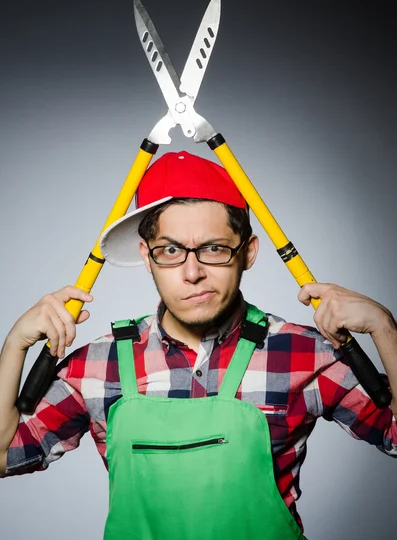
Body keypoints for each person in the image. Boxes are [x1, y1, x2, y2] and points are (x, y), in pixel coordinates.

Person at [0, 151, 396, 539]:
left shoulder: (303, 354)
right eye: (170, 251)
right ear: (147, 257)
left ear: (248, 253)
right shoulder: (97, 366)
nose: (192, 273)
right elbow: (4, 455)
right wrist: (15, 344)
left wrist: (385, 329)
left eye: (213, 248)